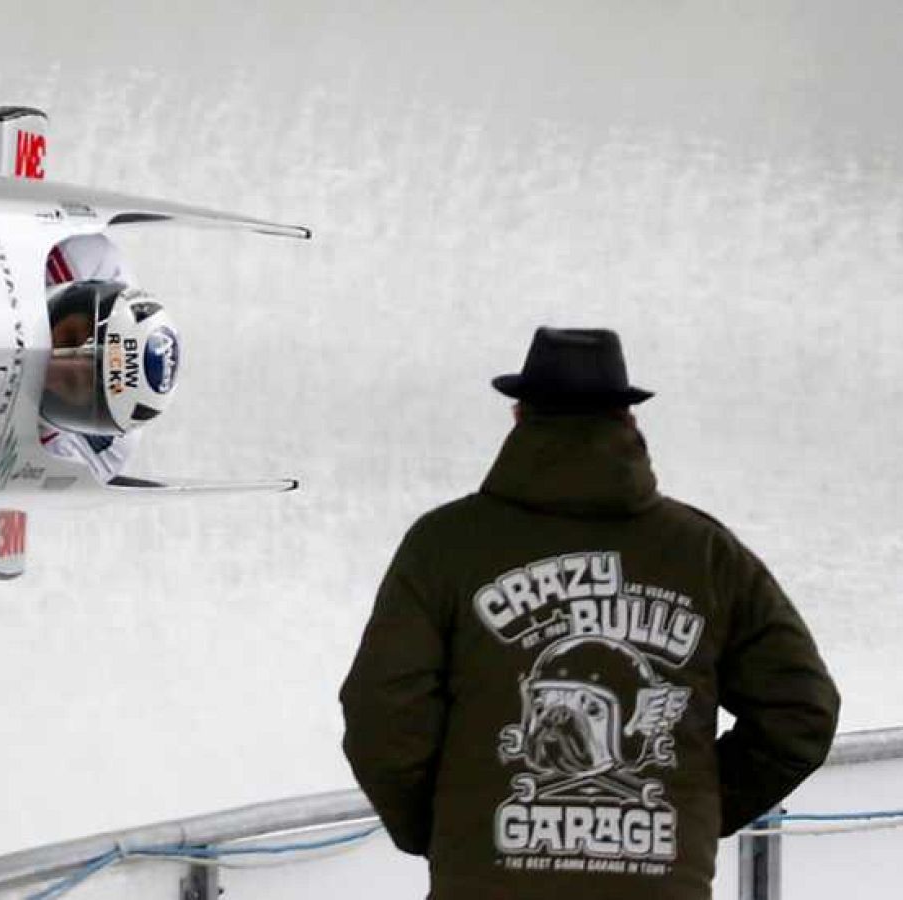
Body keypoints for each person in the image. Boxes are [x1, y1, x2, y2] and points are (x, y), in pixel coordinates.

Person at [338, 328, 840, 900]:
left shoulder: (444, 545)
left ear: (519, 415)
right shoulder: (705, 554)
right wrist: (689, 814)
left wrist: (447, 829)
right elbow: (801, 712)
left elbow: (381, 711)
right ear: (627, 421)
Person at [38, 234, 181, 483]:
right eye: (70, 337)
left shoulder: (91, 459)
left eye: (71, 381)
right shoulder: (90, 260)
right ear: (73, 303)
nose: (53, 362)